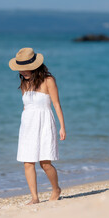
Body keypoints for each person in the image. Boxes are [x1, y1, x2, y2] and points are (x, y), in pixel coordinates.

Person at [9, 47, 66, 205]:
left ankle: (56, 189)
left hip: (45, 123)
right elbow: (26, 107)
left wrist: (62, 126)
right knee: (28, 163)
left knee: (45, 163)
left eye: (26, 69)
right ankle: (35, 197)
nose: (23, 72)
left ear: (35, 66)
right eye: (20, 69)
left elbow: (56, 104)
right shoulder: (24, 83)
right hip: (28, 125)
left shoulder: (49, 80)